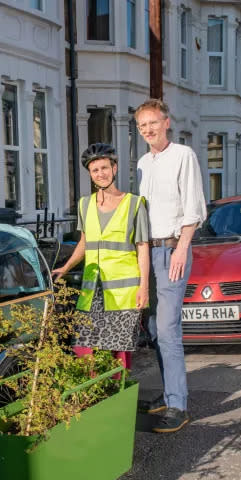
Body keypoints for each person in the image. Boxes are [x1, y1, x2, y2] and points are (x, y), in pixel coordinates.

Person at [135, 99, 207, 433]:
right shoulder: (142, 164)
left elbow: (193, 206)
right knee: (152, 329)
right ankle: (168, 393)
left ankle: (178, 405)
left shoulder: (183, 156)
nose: (147, 130)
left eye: (152, 123)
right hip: (148, 253)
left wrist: (182, 247)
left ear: (167, 122)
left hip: (172, 250)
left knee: (167, 329)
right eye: (141, 126)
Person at [52, 143, 150, 371]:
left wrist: (144, 287)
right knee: (83, 346)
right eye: (95, 170)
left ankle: (118, 397)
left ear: (114, 168)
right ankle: (93, 396)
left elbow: (143, 247)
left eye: (104, 168)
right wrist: (65, 268)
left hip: (124, 291)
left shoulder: (135, 204)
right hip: (92, 288)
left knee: (118, 350)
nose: (100, 174)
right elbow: (85, 243)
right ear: (90, 174)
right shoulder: (85, 205)